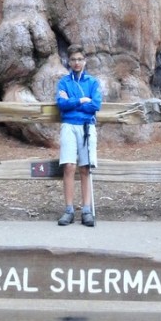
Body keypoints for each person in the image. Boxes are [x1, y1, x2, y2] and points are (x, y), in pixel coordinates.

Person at [55, 44, 102, 226]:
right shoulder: (64, 82)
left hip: (87, 126)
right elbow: (61, 104)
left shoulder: (92, 83)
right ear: (69, 61)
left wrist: (73, 102)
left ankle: (86, 210)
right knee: (68, 166)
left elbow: (95, 105)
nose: (77, 63)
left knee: (85, 167)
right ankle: (68, 209)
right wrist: (81, 100)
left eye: (80, 59)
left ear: (85, 61)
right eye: (73, 59)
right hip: (69, 125)